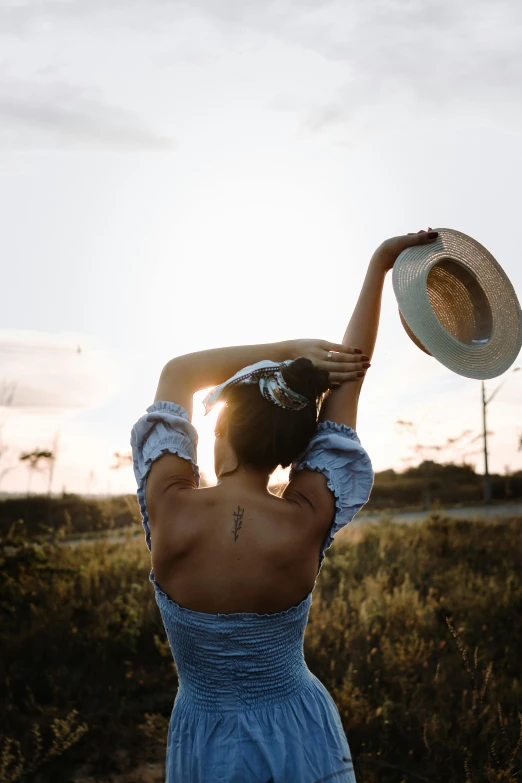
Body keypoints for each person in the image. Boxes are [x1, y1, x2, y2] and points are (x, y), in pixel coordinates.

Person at [131, 228, 439, 783]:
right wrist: (378, 268)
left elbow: (178, 370)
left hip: (204, 739)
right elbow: (350, 380)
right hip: (299, 731)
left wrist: (286, 351)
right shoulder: (306, 517)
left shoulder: (169, 507)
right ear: (296, 449)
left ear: (219, 428)